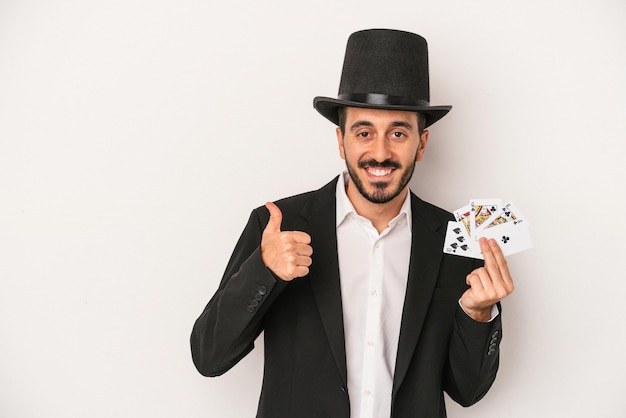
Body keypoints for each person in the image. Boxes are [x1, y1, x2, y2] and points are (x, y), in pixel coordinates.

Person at [191, 28, 514, 418]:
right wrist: (264, 270)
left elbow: (466, 392)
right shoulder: (277, 226)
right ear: (341, 141)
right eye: (364, 132)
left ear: (422, 144)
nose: (380, 152)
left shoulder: (457, 240)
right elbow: (209, 357)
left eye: (398, 133)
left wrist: (478, 316)